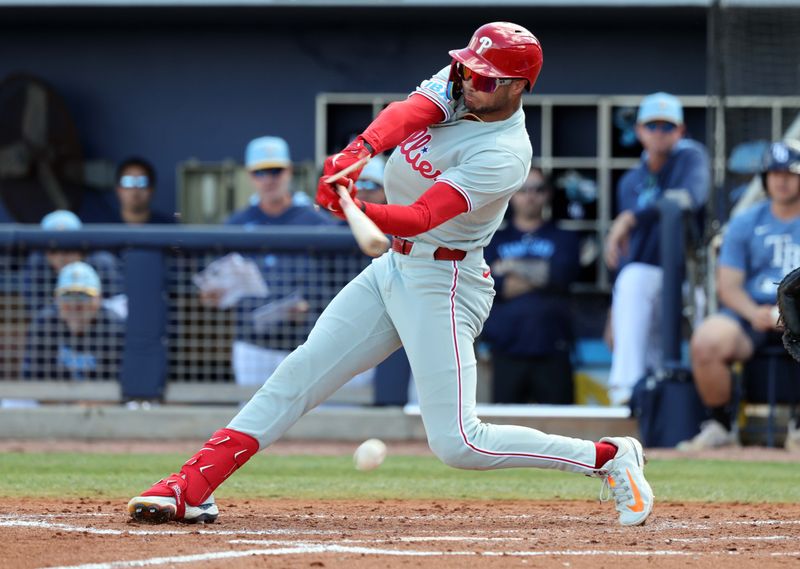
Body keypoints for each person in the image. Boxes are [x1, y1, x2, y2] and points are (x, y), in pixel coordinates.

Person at [128, 22, 653, 528]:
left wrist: (354, 205)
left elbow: (424, 215)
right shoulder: (460, 86)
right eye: (468, 70)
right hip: (394, 266)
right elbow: (406, 114)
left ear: (519, 88)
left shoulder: (505, 154)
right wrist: (357, 154)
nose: (470, 82)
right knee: (301, 371)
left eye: (487, 78)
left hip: (445, 281)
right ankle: (191, 484)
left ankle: (607, 457)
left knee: (458, 444)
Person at [679, 140, 800, 450]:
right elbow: (728, 285)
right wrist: (754, 313)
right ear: (765, 178)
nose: (782, 180)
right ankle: (720, 424)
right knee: (707, 340)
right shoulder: (747, 220)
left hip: (799, 313)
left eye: (790, 173)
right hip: (754, 314)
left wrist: (790, 313)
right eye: (774, 173)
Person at [200, 136, 334, 387]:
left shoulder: (316, 221)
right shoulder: (237, 223)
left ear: (289, 172)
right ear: (250, 176)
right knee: (252, 421)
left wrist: (313, 306)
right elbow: (210, 284)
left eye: (275, 171)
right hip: (252, 345)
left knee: (308, 420)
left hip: (306, 342)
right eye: (261, 172)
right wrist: (213, 296)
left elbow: (339, 280)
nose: (269, 179)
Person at [604, 92, 710, 406]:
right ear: (639, 130)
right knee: (634, 280)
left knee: (702, 339)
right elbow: (628, 252)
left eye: (667, 126)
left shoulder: (690, 158)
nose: (659, 133)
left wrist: (631, 217)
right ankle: (627, 391)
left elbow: (689, 196)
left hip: (692, 275)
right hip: (647, 278)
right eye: (652, 126)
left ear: (680, 131)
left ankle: (706, 402)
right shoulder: (631, 180)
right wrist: (615, 309)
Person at [482, 167, 580, 404]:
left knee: (560, 432)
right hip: (506, 348)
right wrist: (540, 276)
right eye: (523, 190)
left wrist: (510, 265)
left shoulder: (565, 238)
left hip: (553, 346)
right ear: (512, 195)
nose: (530, 196)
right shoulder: (492, 239)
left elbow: (559, 275)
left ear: (547, 194)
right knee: (503, 433)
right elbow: (494, 286)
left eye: (538, 189)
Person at [22, 261, 125, 381]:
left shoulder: (115, 327)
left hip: (103, 398)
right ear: (56, 299)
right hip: (54, 397)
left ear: (99, 299)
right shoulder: (44, 324)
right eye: (67, 296)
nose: (75, 305)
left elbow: (123, 383)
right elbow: (32, 379)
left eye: (83, 296)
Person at [23, 210, 123, 316]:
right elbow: (38, 315)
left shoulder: (102, 264)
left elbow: (118, 309)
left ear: (81, 248)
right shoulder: (38, 267)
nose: (61, 257)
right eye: (54, 250)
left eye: (68, 249)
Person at [113, 157, 175, 224]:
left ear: (151, 189)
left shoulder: (167, 227)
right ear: (118, 189)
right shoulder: (103, 225)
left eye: (142, 182)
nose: (135, 191)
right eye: (128, 182)